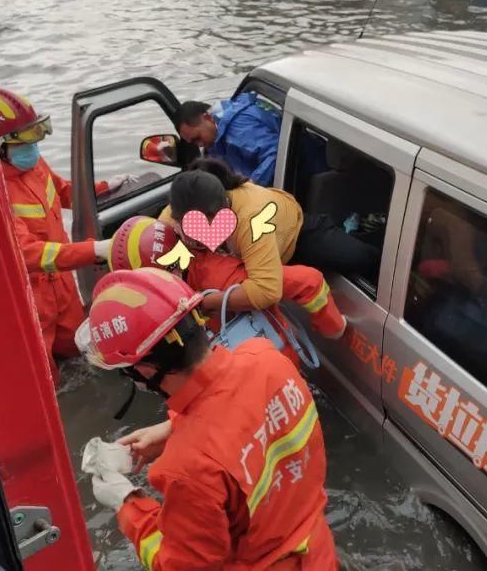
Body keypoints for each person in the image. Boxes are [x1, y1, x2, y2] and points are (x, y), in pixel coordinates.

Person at [77, 268, 338, 570]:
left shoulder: (187, 469)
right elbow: (237, 410)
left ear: (145, 371)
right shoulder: (265, 357)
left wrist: (126, 503)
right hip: (317, 551)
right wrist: (173, 428)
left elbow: (182, 565)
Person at [0, 87, 132, 378]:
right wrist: (96, 249)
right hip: (33, 304)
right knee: (47, 380)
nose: (33, 148)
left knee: (85, 357)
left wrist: (102, 188)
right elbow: (26, 253)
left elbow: (65, 193)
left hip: (63, 290)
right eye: (25, 140)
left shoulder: (35, 165)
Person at [159, 158, 379, 313]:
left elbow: (266, 291)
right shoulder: (172, 218)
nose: (194, 236)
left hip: (293, 237)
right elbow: (155, 260)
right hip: (241, 264)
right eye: (186, 225)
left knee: (361, 258)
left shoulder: (252, 216)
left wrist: (203, 302)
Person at [108, 215, 347, 348]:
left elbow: (309, 282)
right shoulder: (178, 286)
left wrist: (334, 329)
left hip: (269, 376)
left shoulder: (221, 277)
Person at [174, 93, 282, 186]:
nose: (200, 145)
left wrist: (251, 185)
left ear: (207, 118)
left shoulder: (240, 128)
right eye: (193, 143)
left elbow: (276, 153)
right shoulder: (215, 138)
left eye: (197, 138)